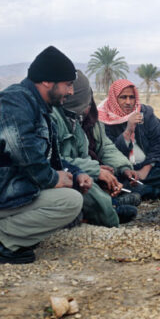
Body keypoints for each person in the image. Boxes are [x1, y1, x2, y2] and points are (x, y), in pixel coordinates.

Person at [0, 46, 88, 264]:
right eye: (68, 84)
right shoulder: (15, 101)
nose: (71, 92)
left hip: (4, 193)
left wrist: (73, 173)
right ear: (47, 81)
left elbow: (47, 158)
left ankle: (8, 233)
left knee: (71, 193)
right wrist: (53, 179)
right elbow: (22, 149)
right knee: (70, 201)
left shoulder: (37, 106)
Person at [51, 71, 139, 226]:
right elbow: (57, 160)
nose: (87, 109)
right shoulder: (58, 119)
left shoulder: (89, 117)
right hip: (68, 175)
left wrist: (124, 167)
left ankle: (113, 198)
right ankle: (110, 208)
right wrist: (95, 170)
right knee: (87, 186)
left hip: (93, 168)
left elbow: (106, 147)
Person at [99, 79, 160, 200]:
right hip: (122, 171)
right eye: (123, 97)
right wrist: (128, 130)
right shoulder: (104, 117)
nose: (128, 102)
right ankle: (157, 191)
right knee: (110, 180)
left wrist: (145, 169)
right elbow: (109, 152)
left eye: (131, 97)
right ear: (114, 98)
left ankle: (141, 189)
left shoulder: (144, 112)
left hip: (148, 168)